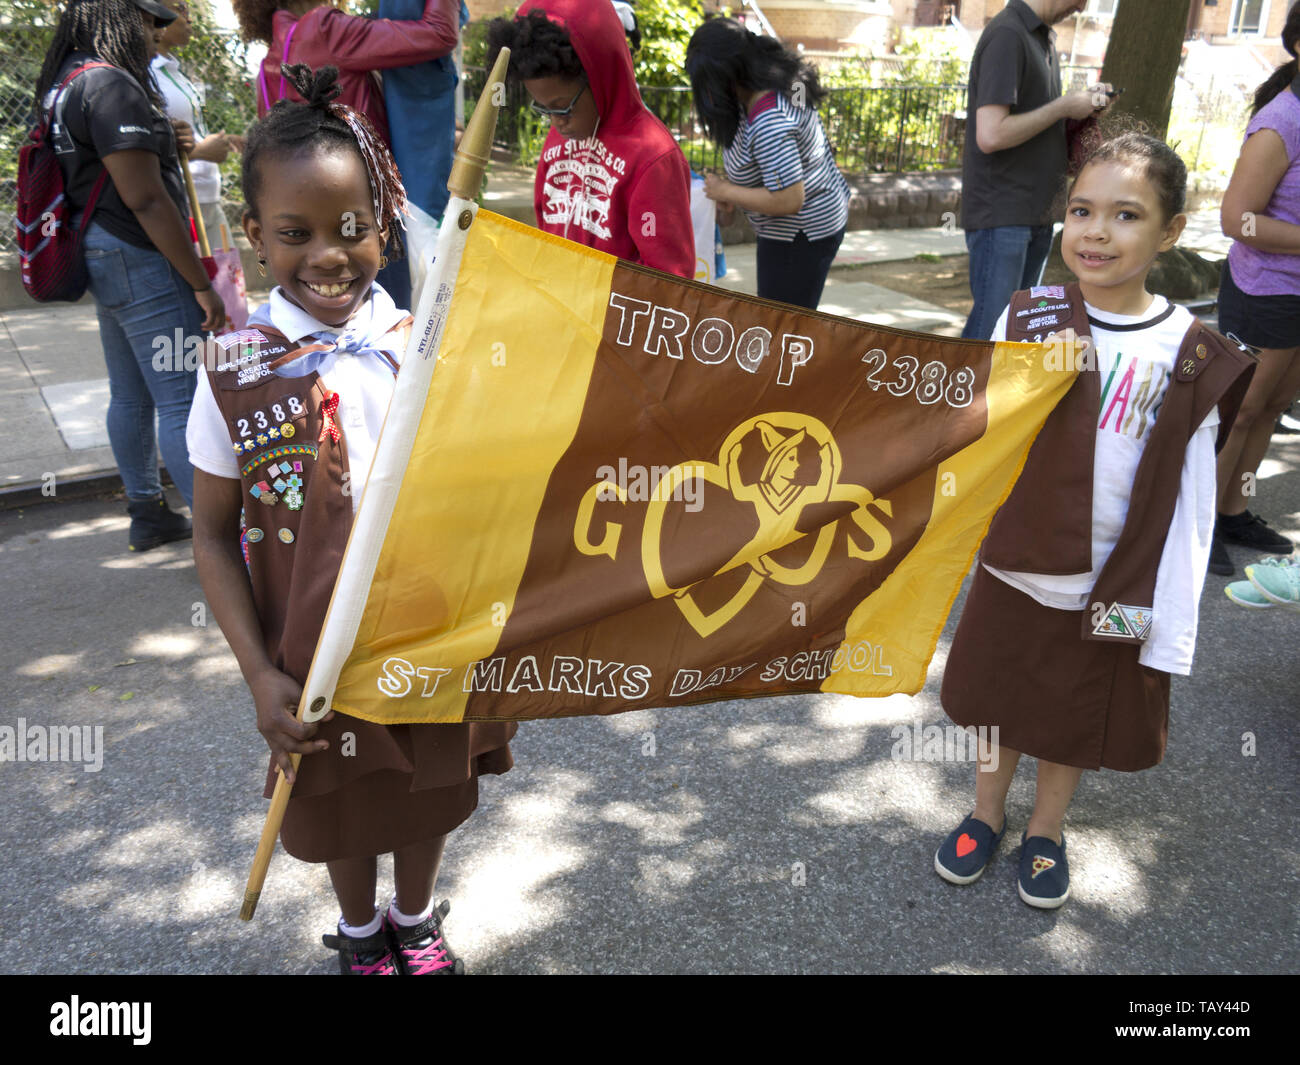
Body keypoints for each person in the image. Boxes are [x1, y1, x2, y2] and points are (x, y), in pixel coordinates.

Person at [187, 64, 516, 975]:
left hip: (429, 631)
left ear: (383, 224)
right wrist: (258, 673)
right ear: (254, 234)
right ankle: (363, 929)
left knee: (429, 789)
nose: (329, 255)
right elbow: (212, 532)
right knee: (338, 802)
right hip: (315, 652)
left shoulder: (424, 340)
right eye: (295, 234)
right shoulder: (235, 371)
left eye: (352, 229)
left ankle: (416, 918)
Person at [933, 133, 1254, 909]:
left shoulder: (1191, 352)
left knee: (1073, 709)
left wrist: (1172, 617)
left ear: (1171, 231)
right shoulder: (1030, 316)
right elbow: (984, 436)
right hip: (1019, 559)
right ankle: (985, 811)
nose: (1096, 232)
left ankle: (1046, 828)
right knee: (995, 696)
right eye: (1081, 210)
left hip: (1117, 577)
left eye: (1126, 215)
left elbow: (1191, 496)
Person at [35, 0, 225, 551]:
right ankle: (224, 550)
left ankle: (148, 511)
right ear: (116, 19)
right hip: (141, 256)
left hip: (99, 253)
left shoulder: (66, 82)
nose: (154, 31)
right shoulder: (111, 85)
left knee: (132, 393)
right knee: (182, 399)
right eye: (146, 21)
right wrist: (199, 282)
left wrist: (168, 140)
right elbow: (145, 198)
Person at [233, 0, 463, 310]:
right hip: (358, 224)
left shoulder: (270, 63)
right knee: (388, 330)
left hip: (302, 240)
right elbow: (437, 33)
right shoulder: (326, 29)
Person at [485, 1, 694, 279]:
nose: (556, 121)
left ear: (600, 78)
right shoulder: (560, 138)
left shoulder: (651, 156)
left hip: (615, 318)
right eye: (544, 108)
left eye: (562, 107)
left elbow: (669, 278)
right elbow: (546, 223)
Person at [960, 0, 1113, 340]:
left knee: (1015, 331)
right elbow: (991, 134)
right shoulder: (1007, 34)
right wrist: (1063, 107)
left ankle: (984, 393)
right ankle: (957, 394)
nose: (1082, 7)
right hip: (1003, 213)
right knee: (991, 332)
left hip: (1037, 211)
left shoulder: (1041, 36)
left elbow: (1035, 121)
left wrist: (1078, 110)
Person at [1211, 1, 1300, 576]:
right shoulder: (1282, 122)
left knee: (1272, 406)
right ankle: (1195, 521)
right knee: (1239, 414)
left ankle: (1234, 508)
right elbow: (1236, 219)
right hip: (1264, 290)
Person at [685, 17, 849, 310]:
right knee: (784, 322)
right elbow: (767, 167)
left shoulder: (770, 119)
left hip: (802, 234)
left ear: (724, 76)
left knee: (782, 327)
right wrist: (732, 191)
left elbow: (790, 198)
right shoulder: (762, 85)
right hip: (800, 227)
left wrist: (727, 192)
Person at [151, 0, 244, 250]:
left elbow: (183, 132)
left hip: (207, 197)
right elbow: (144, 145)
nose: (188, 18)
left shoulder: (174, 71)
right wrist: (199, 152)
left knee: (227, 284)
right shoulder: (142, 75)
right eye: (179, 8)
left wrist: (219, 142)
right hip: (179, 199)